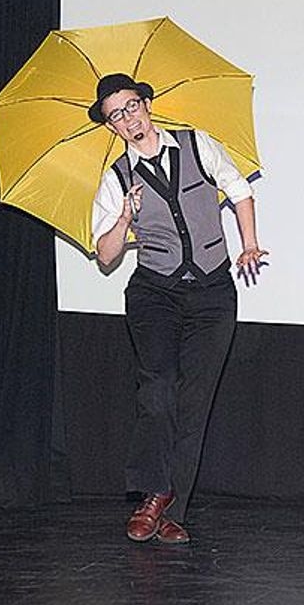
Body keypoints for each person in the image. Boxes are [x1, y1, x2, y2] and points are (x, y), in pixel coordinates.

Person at [89, 73, 268, 544]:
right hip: (155, 293)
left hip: (212, 292)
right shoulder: (116, 178)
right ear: (111, 127)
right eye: (116, 116)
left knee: (194, 403)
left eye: (131, 106)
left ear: (147, 104)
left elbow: (240, 191)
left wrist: (249, 244)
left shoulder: (196, 144)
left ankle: (172, 510)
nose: (128, 119)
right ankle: (153, 494)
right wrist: (124, 217)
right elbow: (105, 255)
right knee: (158, 390)